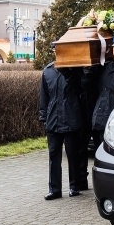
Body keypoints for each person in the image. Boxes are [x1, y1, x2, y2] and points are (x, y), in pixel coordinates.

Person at [39, 60, 85, 200]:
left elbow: (80, 88)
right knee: (54, 155)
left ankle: (74, 186)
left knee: (73, 154)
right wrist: (44, 117)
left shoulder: (75, 69)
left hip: (71, 118)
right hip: (53, 119)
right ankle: (55, 190)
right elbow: (44, 96)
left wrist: (67, 72)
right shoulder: (47, 71)